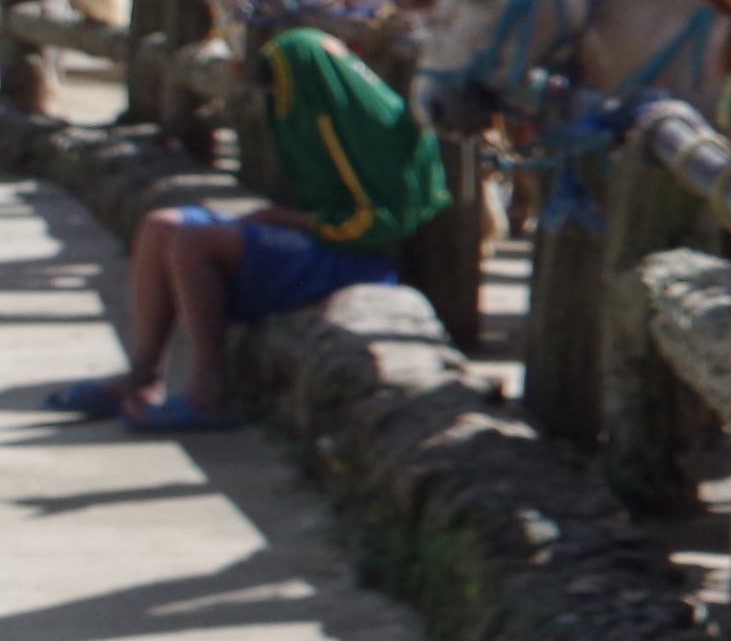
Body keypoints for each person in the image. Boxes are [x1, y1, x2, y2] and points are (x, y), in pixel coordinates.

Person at [54, 25, 450, 434]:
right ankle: (141, 374)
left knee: (194, 241)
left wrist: (294, 222)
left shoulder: (361, 126)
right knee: (160, 225)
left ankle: (210, 391)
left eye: (274, 85)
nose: (271, 97)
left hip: (351, 258)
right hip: (317, 240)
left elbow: (384, 222)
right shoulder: (327, 108)